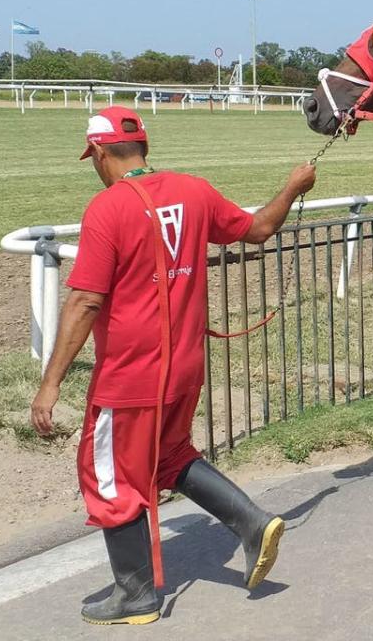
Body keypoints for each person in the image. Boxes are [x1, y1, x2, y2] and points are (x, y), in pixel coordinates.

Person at [30, 106, 316, 625]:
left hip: (130, 378)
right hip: (185, 368)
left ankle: (136, 596)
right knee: (168, 458)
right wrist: (294, 185)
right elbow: (259, 229)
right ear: (143, 147)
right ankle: (253, 523)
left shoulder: (107, 208)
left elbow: (85, 302)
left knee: (109, 477)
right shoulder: (194, 190)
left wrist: (49, 385)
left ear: (98, 152)